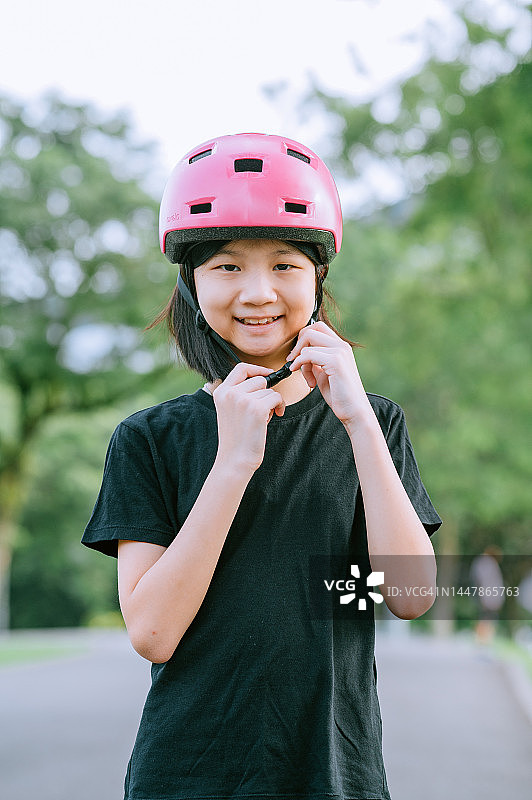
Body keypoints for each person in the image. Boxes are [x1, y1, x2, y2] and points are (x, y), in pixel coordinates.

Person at [82, 133, 442, 800]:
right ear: (191, 284)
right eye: (225, 266)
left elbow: (411, 596)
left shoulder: (375, 424)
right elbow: (154, 633)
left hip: (333, 775)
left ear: (317, 279)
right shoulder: (149, 439)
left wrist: (358, 419)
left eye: (284, 265)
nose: (256, 292)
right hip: (186, 778)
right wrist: (234, 463)